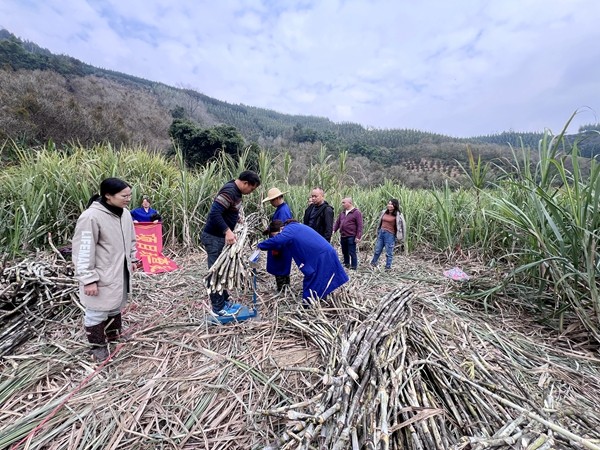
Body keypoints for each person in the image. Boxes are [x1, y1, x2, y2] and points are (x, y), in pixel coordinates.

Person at [72, 178, 139, 361]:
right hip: (101, 273)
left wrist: (133, 258)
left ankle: (113, 335)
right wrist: (88, 279)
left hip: (119, 270)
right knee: (97, 310)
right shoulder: (91, 217)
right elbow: (83, 251)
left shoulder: (124, 214)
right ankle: (97, 346)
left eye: (129, 195)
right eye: (124, 196)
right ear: (108, 196)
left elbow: (132, 239)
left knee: (115, 304)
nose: (128, 199)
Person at [201, 170, 261, 317]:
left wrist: (236, 218)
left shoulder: (236, 192)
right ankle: (218, 309)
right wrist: (227, 231)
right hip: (214, 237)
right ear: (245, 183)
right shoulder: (230, 191)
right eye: (251, 189)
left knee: (222, 269)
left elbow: (228, 210)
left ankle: (224, 301)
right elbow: (214, 213)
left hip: (218, 238)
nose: (251, 192)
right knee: (215, 272)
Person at [258, 219, 349, 305]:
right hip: (321, 254)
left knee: (314, 280)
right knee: (320, 279)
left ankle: (309, 306)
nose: (276, 237)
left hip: (320, 256)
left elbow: (278, 240)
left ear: (281, 229)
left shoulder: (289, 230)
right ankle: (319, 300)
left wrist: (260, 246)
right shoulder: (294, 227)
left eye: (275, 235)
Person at [262, 187, 293, 291]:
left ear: (277, 198)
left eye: (271, 200)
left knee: (280, 268)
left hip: (279, 246)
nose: (271, 202)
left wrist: (276, 247)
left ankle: (282, 290)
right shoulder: (283, 209)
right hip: (281, 245)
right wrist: (269, 229)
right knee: (283, 268)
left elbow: (281, 231)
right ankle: (285, 289)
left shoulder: (282, 211)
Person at [370, 199, 406, 270]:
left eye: (391, 204)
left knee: (389, 252)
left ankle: (388, 267)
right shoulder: (384, 212)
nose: (389, 205)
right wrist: (377, 231)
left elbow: (403, 226)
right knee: (377, 250)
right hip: (381, 233)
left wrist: (401, 236)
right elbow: (379, 222)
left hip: (390, 235)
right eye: (388, 204)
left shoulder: (398, 215)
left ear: (395, 206)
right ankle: (373, 262)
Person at [333, 197, 363, 270]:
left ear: (349, 203)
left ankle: (354, 267)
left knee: (352, 252)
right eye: (342, 203)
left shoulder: (356, 212)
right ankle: (346, 264)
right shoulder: (342, 213)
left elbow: (360, 225)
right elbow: (337, 223)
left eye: (344, 202)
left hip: (351, 236)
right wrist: (333, 230)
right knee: (344, 251)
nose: (342, 204)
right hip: (343, 235)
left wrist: (358, 236)